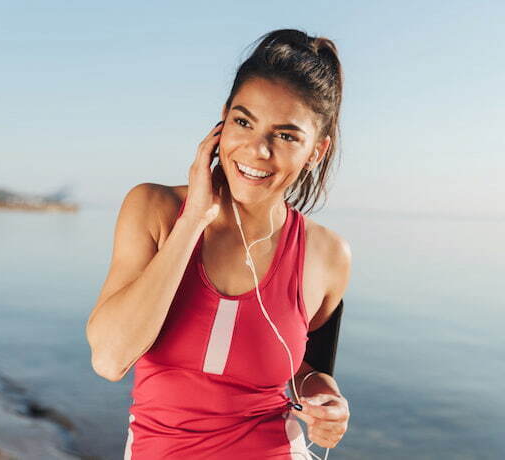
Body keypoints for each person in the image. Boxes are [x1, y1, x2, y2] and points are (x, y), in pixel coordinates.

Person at [86, 28, 352, 459]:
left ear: (316, 151)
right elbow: (110, 359)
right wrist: (193, 220)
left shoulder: (328, 255)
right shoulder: (153, 209)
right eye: (243, 122)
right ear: (221, 121)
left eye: (285, 136)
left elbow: (307, 370)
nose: (257, 149)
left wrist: (329, 406)